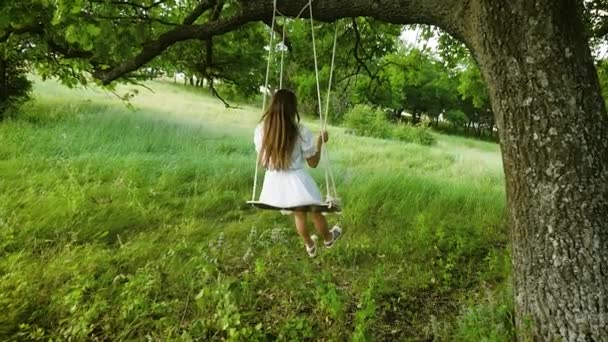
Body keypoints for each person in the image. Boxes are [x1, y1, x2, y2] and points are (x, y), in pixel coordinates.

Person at [254, 89, 342, 258]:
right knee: (316, 211)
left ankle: (309, 245)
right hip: (297, 181)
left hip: (274, 184)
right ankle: (328, 237)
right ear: (293, 108)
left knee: (299, 214)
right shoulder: (299, 131)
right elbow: (313, 163)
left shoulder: (261, 130)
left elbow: (263, 159)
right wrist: (319, 142)